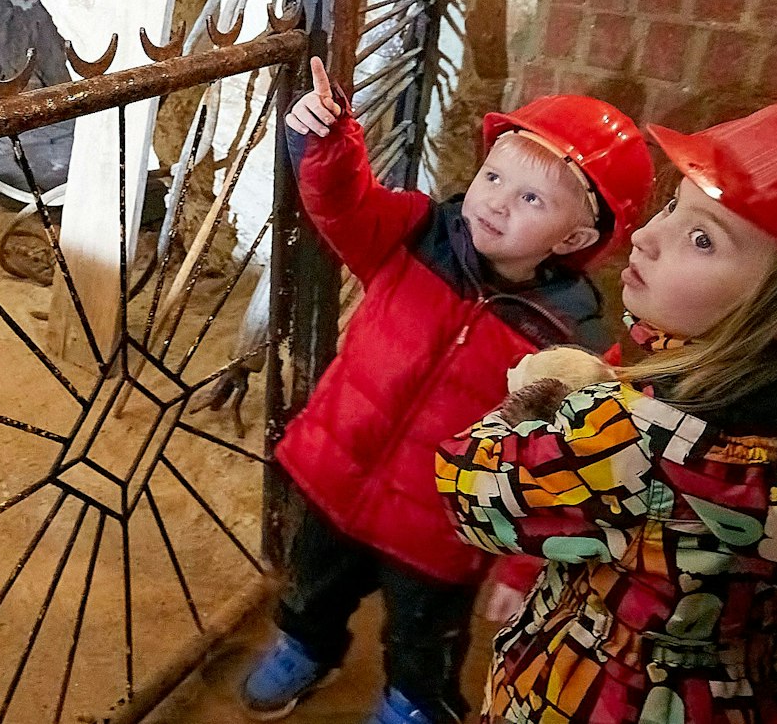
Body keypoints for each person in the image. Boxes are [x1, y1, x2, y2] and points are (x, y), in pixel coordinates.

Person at [436, 93, 777, 724]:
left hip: (594, 698)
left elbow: (468, 491)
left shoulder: (640, 443)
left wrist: (542, 392)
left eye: (701, 239)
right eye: (673, 206)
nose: (643, 236)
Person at [242, 57, 653, 722]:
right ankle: (307, 644)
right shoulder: (415, 234)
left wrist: (523, 567)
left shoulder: (570, 340)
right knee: (312, 582)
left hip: (443, 525)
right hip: (338, 474)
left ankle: (413, 700)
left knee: (424, 635)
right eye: (494, 176)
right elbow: (345, 204)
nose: (495, 200)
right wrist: (327, 139)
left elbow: (561, 461)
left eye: (532, 199)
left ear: (576, 237)